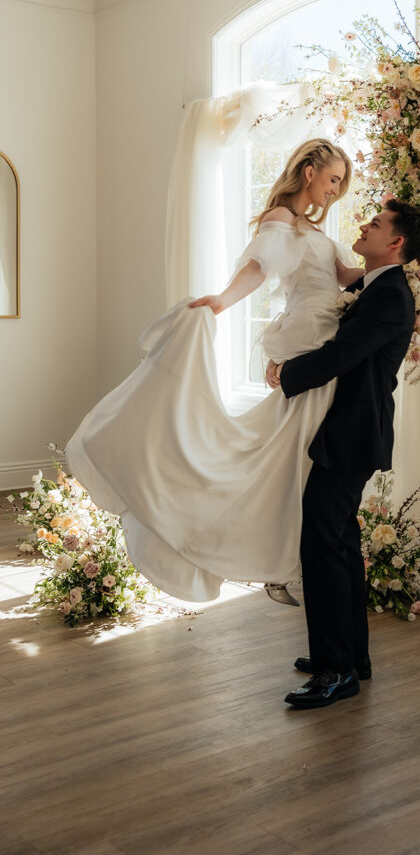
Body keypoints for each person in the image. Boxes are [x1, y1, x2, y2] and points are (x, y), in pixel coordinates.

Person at [65, 138, 361, 605]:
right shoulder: (281, 220)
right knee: (286, 455)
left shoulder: (312, 229)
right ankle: (273, 557)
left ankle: (282, 557)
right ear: (309, 172)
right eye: (332, 180)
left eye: (340, 183)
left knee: (291, 456)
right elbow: (259, 269)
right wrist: (223, 299)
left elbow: (345, 277)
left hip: (326, 339)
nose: (335, 190)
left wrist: (403, 271)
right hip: (312, 340)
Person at [265, 199, 420, 709]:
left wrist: (284, 375)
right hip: (352, 433)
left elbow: (340, 356)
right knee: (338, 545)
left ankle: (335, 672)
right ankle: (349, 657)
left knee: (322, 547)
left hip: (353, 435)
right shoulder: (373, 287)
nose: (364, 224)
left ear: (396, 243)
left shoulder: (389, 297)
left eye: (376, 224)